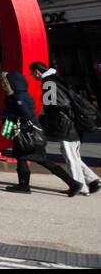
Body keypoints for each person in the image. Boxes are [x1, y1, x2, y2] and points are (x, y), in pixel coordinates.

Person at [1, 70, 81, 195]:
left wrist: (8, 115)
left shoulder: (18, 98)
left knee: (30, 158)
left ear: (13, 84)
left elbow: (26, 115)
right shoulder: (20, 96)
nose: (4, 85)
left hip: (27, 133)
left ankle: (72, 183)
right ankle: (72, 183)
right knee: (32, 159)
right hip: (30, 133)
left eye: (6, 83)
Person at [31, 61, 100, 195]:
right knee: (71, 154)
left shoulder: (49, 82)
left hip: (67, 125)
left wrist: (45, 104)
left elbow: (57, 104)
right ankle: (93, 180)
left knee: (70, 155)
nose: (32, 76)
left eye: (32, 73)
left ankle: (78, 185)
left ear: (37, 71)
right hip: (72, 123)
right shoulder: (57, 80)